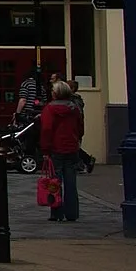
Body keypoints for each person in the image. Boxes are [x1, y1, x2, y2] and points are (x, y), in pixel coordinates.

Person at [39, 80, 85, 222]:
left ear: (55, 93)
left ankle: (57, 211)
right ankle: (72, 213)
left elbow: (46, 130)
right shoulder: (74, 108)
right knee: (71, 182)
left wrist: (45, 149)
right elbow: (80, 127)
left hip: (56, 148)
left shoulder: (49, 109)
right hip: (71, 147)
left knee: (55, 181)